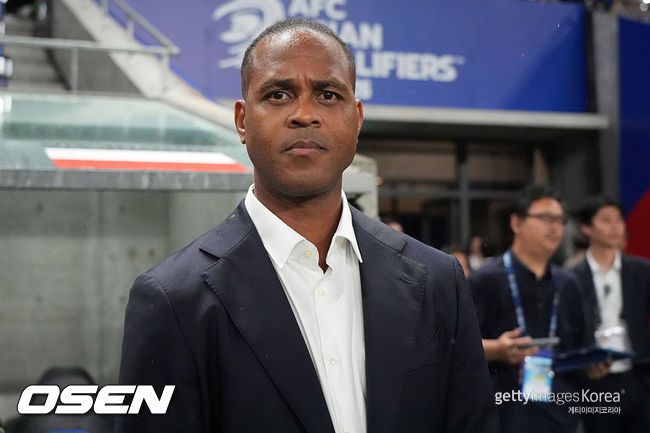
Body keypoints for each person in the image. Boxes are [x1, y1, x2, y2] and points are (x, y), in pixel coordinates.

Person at [117, 19, 498, 433]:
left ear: (356, 119)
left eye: (327, 95)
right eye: (278, 94)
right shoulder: (174, 300)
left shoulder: (438, 280)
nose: (304, 114)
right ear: (242, 120)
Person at [469, 185, 601, 433]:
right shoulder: (486, 279)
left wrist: (594, 365)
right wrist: (497, 349)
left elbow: (582, 345)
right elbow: (459, 344)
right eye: (545, 218)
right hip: (504, 411)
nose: (554, 227)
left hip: (559, 414)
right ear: (516, 223)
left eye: (560, 220)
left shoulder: (568, 282)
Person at [571, 195, 650, 433]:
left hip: (636, 374)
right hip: (593, 379)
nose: (615, 226)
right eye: (606, 220)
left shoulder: (641, 270)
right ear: (587, 228)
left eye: (618, 220)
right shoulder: (572, 277)